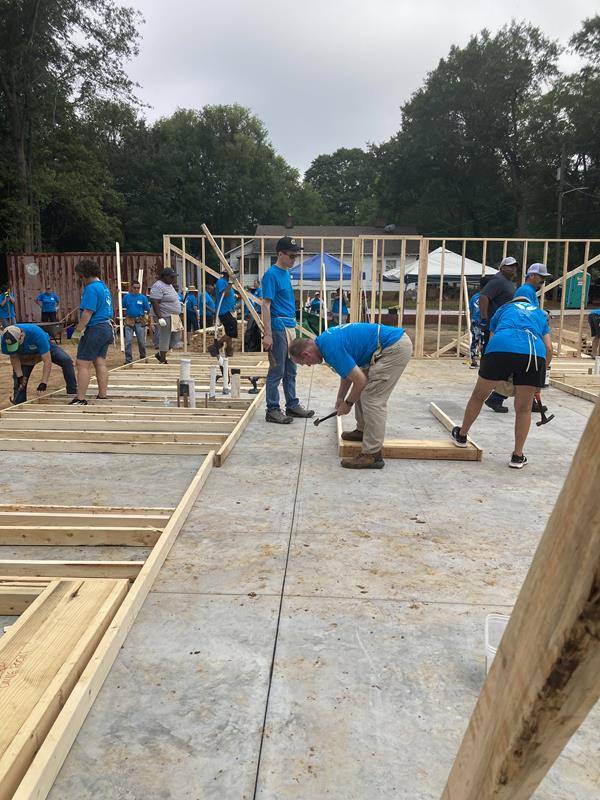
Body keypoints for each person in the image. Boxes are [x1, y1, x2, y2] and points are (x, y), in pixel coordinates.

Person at [290, 322, 413, 469]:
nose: (309, 365)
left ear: (305, 354)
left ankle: (372, 455)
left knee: (372, 399)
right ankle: (362, 431)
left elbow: (360, 381)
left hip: (393, 347)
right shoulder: (325, 342)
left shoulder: (331, 349)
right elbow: (349, 373)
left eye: (305, 363)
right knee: (363, 392)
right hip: (388, 345)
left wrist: (348, 404)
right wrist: (341, 397)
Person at [451, 294, 552, 469]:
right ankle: (517, 456)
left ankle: (462, 435)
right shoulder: (540, 314)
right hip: (533, 354)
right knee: (524, 409)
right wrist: (540, 376)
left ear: (514, 302)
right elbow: (549, 347)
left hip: (500, 347)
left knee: (478, 396)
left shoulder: (503, 309)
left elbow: (491, 338)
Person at [262, 236, 313, 424]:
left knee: (291, 369)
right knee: (277, 370)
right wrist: (267, 334)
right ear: (280, 254)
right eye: (291, 256)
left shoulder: (285, 273)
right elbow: (265, 305)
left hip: (289, 326)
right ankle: (272, 409)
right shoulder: (271, 274)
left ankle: (292, 405)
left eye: (296, 256)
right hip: (278, 327)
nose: (294, 259)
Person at [69, 259, 114, 405]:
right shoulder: (103, 287)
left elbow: (88, 312)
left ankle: (80, 398)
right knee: (99, 361)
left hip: (95, 328)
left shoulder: (91, 288)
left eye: (79, 276)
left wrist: (77, 330)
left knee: (82, 363)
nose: (78, 279)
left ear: (83, 275)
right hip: (106, 327)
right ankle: (102, 395)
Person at [479, 256, 518, 412]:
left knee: (498, 358)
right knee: (495, 357)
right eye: (510, 266)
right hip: (497, 327)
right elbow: (483, 297)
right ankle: (488, 386)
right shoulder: (498, 280)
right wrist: (484, 318)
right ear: (502, 267)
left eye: (515, 266)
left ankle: (494, 391)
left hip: (503, 326)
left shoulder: (507, 282)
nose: (513, 268)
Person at [1, 323, 77, 403]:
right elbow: (14, 357)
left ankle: (72, 392)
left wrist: (43, 383)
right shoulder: (5, 339)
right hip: (23, 355)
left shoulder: (36, 334)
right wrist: (20, 376)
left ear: (22, 335)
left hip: (44, 349)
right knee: (20, 381)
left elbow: (47, 360)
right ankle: (19, 402)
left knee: (66, 361)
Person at [149, 268, 183, 364]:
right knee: (165, 336)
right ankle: (163, 359)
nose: (173, 279)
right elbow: (154, 301)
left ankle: (160, 354)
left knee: (176, 338)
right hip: (165, 315)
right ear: (164, 276)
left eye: (174, 277)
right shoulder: (158, 286)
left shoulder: (169, 285)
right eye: (171, 277)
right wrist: (160, 318)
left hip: (174, 316)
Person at [122, 280, 152, 363]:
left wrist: (147, 318)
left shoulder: (143, 297)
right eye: (135, 287)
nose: (136, 289)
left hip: (139, 321)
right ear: (131, 287)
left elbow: (148, 309)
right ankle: (128, 359)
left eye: (138, 288)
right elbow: (122, 306)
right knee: (128, 341)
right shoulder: (126, 297)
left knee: (141, 341)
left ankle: (143, 356)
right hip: (129, 320)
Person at [468, 276, 491, 368]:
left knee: (474, 341)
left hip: (474, 321)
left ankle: (473, 361)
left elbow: (471, 310)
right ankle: (483, 362)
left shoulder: (474, 297)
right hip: (483, 321)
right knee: (484, 341)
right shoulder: (488, 297)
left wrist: (471, 323)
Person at [214, 269, 238, 356]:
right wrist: (231, 282)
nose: (235, 275)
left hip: (229, 310)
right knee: (232, 332)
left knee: (230, 331)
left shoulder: (227, 283)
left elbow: (229, 296)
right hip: (224, 311)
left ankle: (229, 351)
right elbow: (226, 294)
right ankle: (216, 346)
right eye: (233, 274)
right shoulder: (221, 281)